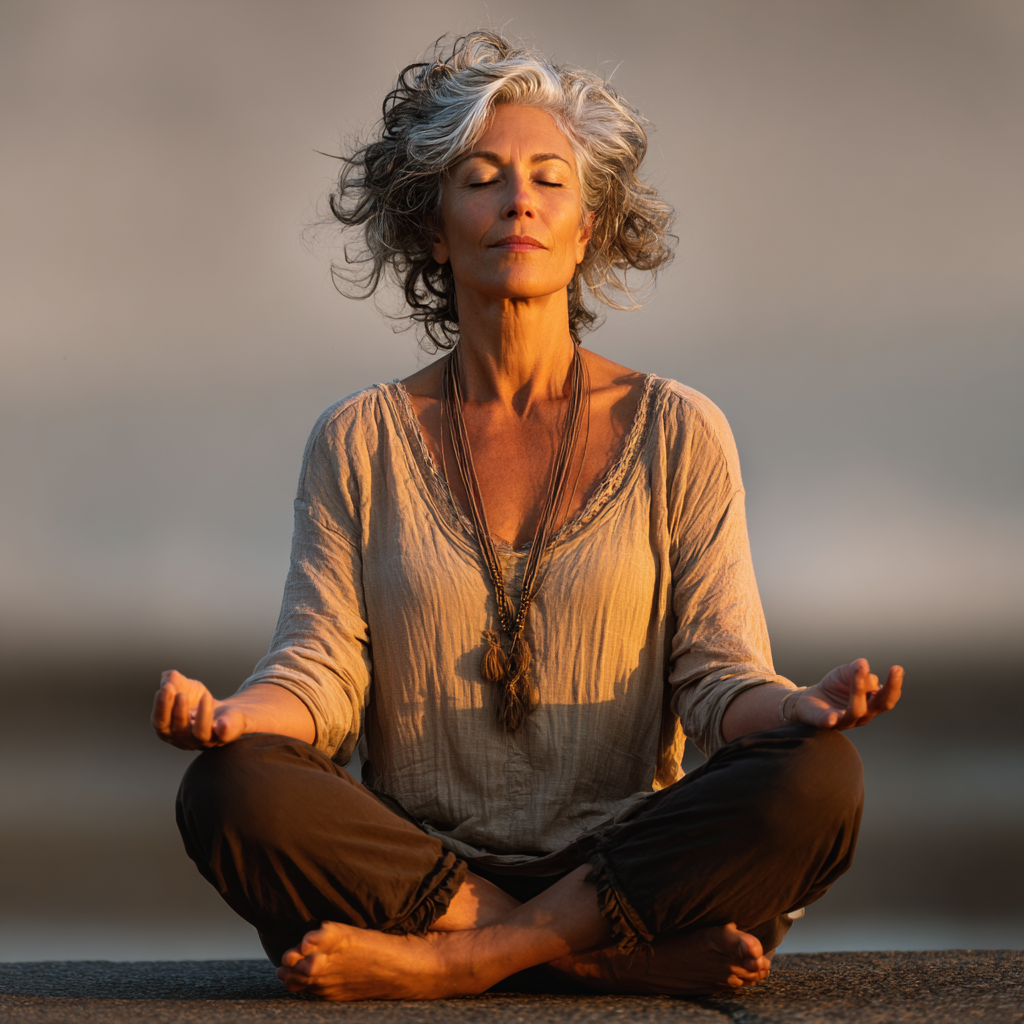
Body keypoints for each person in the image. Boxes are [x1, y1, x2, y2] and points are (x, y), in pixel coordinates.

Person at [152, 33, 903, 1002]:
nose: (519, 200)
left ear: (586, 227)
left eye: (550, 180)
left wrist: (795, 708)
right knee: (229, 790)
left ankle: (466, 961)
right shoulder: (358, 439)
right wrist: (230, 716)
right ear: (431, 227)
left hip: (623, 856)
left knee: (818, 782)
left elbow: (720, 680)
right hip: (421, 865)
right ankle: (592, 957)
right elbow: (318, 674)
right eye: (482, 178)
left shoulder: (678, 430)